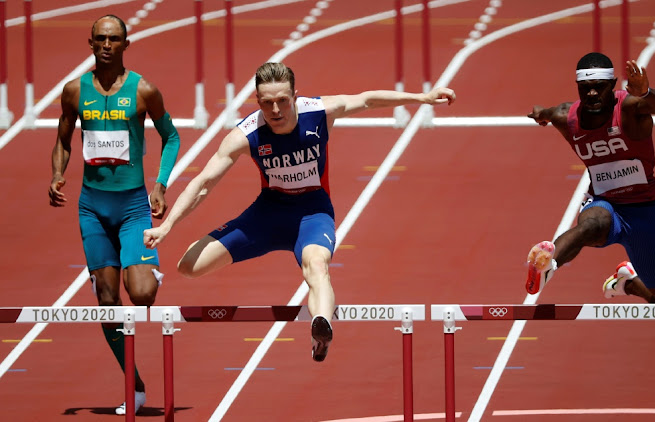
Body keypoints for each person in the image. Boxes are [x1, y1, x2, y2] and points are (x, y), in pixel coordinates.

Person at [143, 62, 456, 361]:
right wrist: (167, 226)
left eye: (282, 100)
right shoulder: (245, 134)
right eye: (267, 103)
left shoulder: (318, 111)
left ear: (294, 96)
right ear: (257, 101)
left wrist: (421, 97)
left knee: (316, 265)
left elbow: (366, 99)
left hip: (312, 211)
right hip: (268, 214)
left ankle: (321, 325)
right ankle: (321, 316)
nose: (276, 110)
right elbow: (203, 183)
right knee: (189, 266)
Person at [48, 15, 180, 414]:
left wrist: (160, 184)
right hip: (92, 207)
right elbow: (63, 138)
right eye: (101, 39)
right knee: (107, 300)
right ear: (90, 43)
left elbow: (171, 136)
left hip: (133, 206)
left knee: (141, 294)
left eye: (115, 39)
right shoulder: (74, 91)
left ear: (126, 44)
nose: (107, 44)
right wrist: (56, 173)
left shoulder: (144, 90)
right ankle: (134, 385)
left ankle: (144, 269)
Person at [525, 52, 655, 330]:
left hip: (643, 214)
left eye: (599, 86)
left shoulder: (630, 109)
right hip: (605, 204)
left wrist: (646, 92)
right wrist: (540, 114)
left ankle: (630, 283)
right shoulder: (567, 117)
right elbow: (548, 112)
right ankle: (546, 266)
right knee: (592, 224)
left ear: (612, 85)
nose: (591, 92)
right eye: (585, 87)